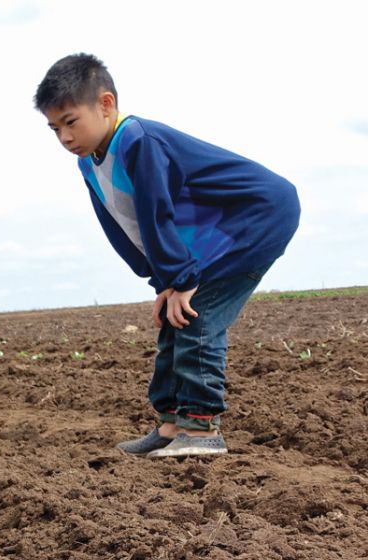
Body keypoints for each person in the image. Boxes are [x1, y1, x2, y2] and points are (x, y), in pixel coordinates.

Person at [33, 54, 299, 458]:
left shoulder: (139, 140)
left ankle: (201, 429)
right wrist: (163, 281)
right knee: (173, 320)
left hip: (254, 220)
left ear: (105, 105)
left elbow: (157, 214)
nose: (65, 138)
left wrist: (182, 280)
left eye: (71, 122)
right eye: (54, 129)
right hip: (209, 240)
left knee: (198, 315)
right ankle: (172, 425)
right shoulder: (89, 163)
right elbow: (124, 227)